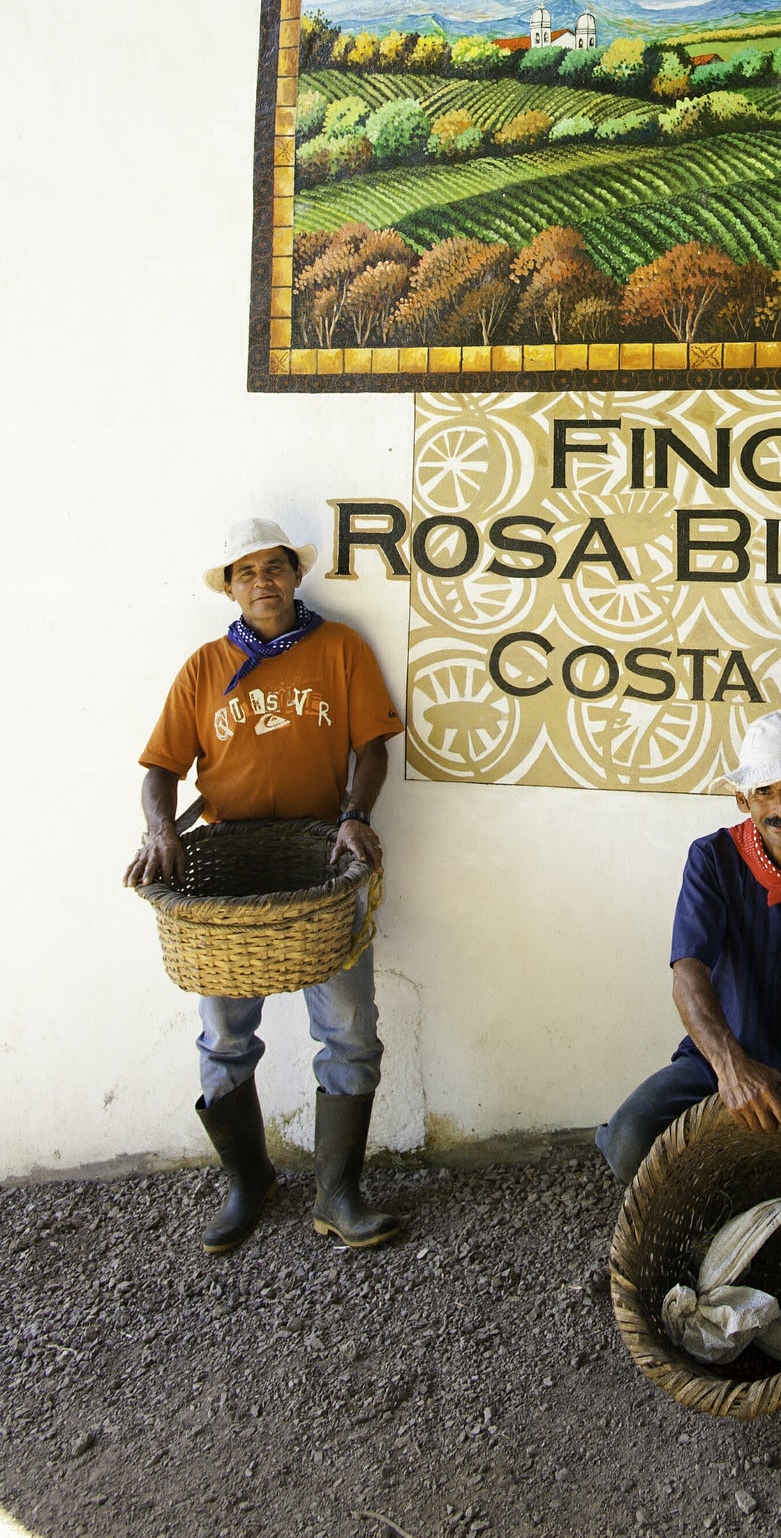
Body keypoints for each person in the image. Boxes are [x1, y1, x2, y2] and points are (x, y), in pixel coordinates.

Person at [126, 517, 407, 1254]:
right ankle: (248, 1182)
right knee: (224, 1039)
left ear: (295, 575)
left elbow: (369, 745)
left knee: (349, 1031)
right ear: (229, 587)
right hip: (229, 877)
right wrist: (161, 832)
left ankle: (338, 1194)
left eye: (275, 567)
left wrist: (355, 816)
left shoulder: (340, 649)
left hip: (323, 865)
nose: (263, 582)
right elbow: (160, 766)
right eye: (246, 572)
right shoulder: (203, 668)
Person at [597, 710, 781, 1184]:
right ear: (742, 800)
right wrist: (732, 1068)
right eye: (764, 792)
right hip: (717, 1060)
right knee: (630, 1137)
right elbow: (687, 974)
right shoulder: (711, 859)